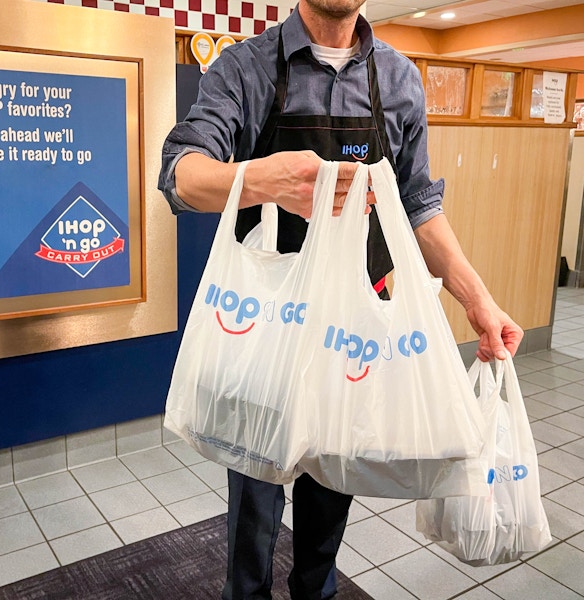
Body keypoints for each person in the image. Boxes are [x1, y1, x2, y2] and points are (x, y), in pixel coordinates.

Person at [158, 1, 524, 598]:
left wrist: (478, 300)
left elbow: (419, 209)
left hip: (353, 330)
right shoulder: (246, 68)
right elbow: (180, 174)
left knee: (331, 500)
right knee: (254, 507)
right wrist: (260, 178)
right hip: (266, 331)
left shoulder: (399, 79)